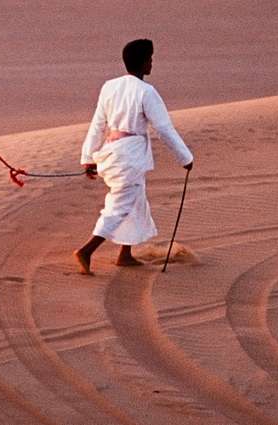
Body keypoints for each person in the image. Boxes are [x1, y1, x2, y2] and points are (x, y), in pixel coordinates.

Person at [74, 39, 194, 275]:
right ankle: (87, 250)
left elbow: (98, 124)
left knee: (135, 202)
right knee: (119, 205)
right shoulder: (146, 92)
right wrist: (185, 157)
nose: (151, 63)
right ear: (142, 62)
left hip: (112, 152)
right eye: (149, 58)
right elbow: (164, 128)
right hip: (128, 157)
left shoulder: (109, 86)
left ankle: (125, 254)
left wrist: (88, 156)